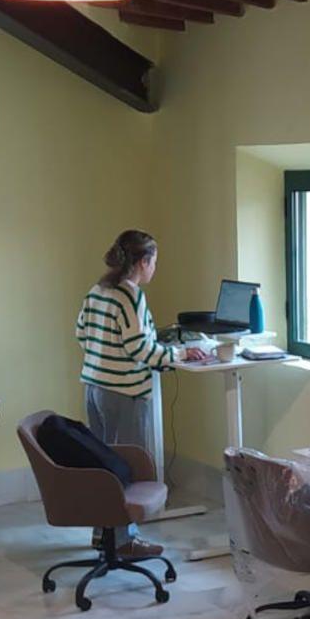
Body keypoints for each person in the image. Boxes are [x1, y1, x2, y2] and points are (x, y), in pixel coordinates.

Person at [75, 229, 205, 559]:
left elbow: (81, 332)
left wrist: (106, 357)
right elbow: (138, 349)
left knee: (102, 466)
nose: (155, 268)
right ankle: (123, 541)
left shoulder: (98, 290)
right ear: (143, 262)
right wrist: (177, 355)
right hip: (124, 392)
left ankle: (102, 533)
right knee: (125, 468)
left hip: (95, 387)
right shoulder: (130, 296)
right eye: (155, 262)